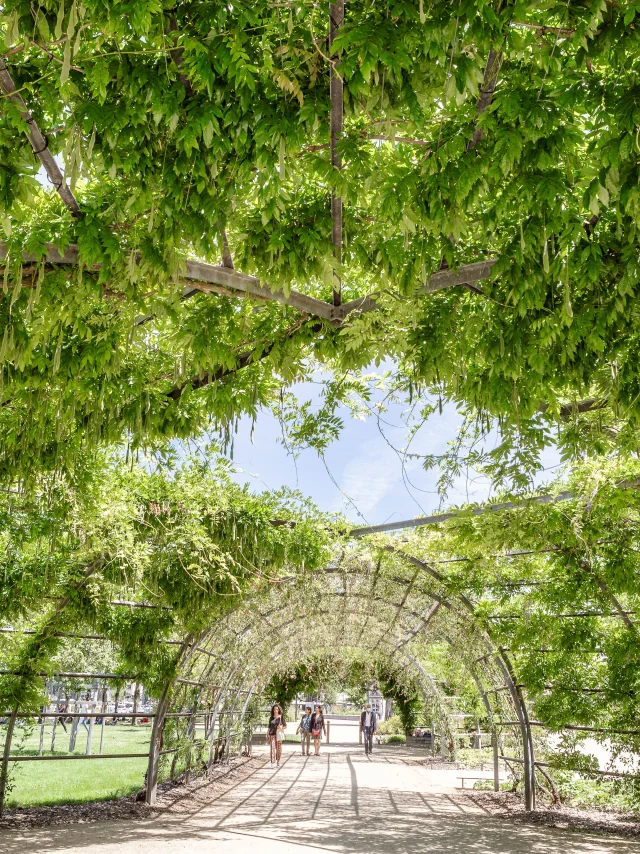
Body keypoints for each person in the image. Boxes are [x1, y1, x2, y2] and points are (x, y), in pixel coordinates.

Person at [266, 703, 286, 767]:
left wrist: (281, 728)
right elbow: (269, 727)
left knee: (278, 748)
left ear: (279, 710)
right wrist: (267, 734)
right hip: (272, 734)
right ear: (273, 710)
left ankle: (278, 761)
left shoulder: (281, 717)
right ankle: (272, 762)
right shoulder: (271, 718)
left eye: (277, 709)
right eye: (274, 709)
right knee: (272, 748)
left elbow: (285, 726)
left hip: (278, 734)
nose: (275, 710)